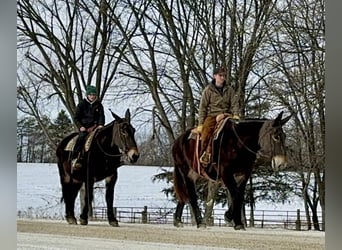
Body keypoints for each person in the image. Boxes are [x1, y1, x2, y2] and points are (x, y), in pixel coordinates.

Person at [197, 67, 240, 166]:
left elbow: (234, 103)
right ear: (214, 76)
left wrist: (236, 115)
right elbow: (202, 107)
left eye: (224, 76)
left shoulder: (229, 90)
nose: (222, 77)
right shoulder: (208, 90)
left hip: (227, 115)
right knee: (206, 132)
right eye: (220, 75)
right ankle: (204, 154)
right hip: (212, 116)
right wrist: (200, 123)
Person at [71, 85, 105, 169]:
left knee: (103, 138)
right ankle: (75, 157)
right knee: (81, 138)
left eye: (94, 95)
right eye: (91, 95)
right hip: (84, 127)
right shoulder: (82, 104)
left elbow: (101, 116)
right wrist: (80, 126)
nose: (92, 96)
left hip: (96, 127)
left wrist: (101, 124)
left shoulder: (99, 105)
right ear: (87, 95)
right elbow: (76, 118)